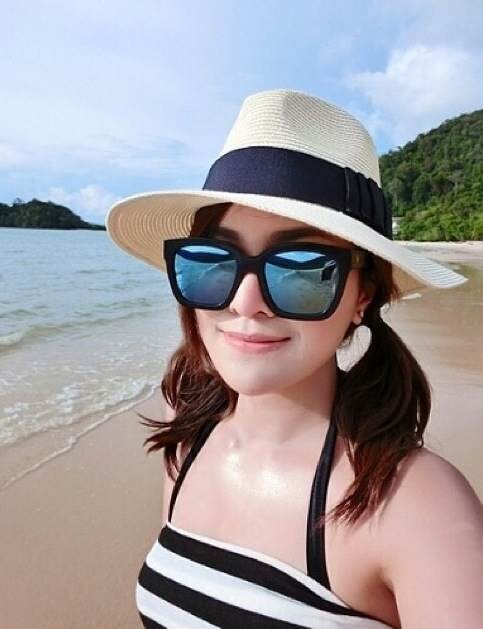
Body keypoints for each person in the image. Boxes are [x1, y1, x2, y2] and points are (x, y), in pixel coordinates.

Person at [106, 89, 482, 628]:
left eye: (300, 268)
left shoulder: (413, 504)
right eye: (214, 260)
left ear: (362, 296)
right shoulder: (185, 437)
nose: (245, 302)